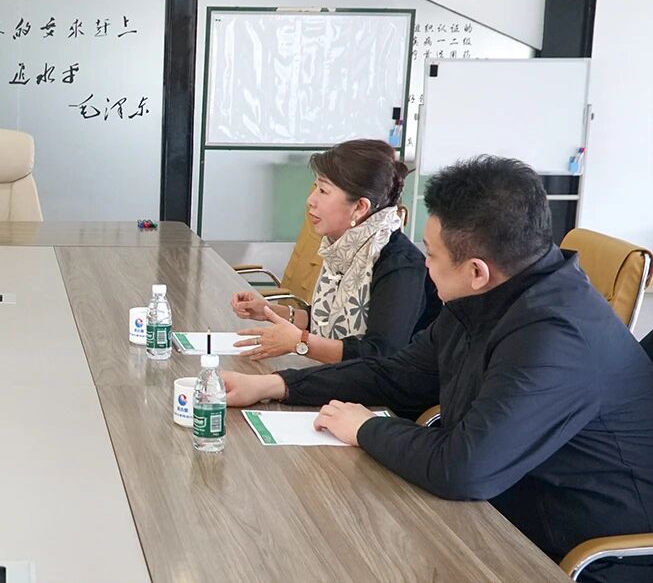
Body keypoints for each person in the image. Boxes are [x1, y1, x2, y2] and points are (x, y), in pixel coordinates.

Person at [222, 156, 653, 582]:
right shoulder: (490, 297)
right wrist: (278, 385)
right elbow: (396, 374)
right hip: (498, 512)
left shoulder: (555, 336)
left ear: (476, 271)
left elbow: (464, 467)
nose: (424, 265)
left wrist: (365, 428)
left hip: (580, 555)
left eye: (430, 253)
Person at [230, 139, 440, 363]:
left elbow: (380, 354)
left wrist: (301, 342)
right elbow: (327, 321)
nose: (311, 200)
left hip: (378, 383)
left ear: (360, 207)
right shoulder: (344, 247)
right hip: (340, 374)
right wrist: (268, 311)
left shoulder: (400, 263)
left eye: (323, 191)